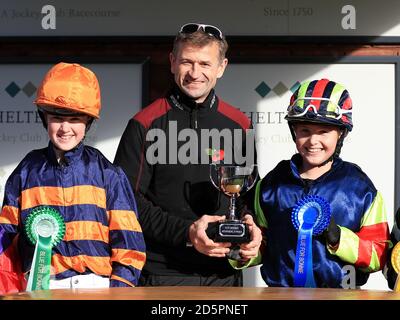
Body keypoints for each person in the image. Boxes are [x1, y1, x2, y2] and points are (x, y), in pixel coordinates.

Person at [114, 23, 261, 286]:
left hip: (224, 273)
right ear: (172, 62)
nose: (195, 73)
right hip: (163, 274)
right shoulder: (144, 123)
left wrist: (251, 226)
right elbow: (126, 202)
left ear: (221, 67)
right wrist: (186, 233)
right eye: (186, 62)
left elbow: (247, 194)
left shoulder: (240, 124)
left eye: (205, 64)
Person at [0, 62, 146, 293]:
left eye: (75, 119)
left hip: (97, 288)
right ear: (44, 118)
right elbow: (6, 240)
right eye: (57, 117)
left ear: (88, 121)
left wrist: (119, 292)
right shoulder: (26, 171)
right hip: (41, 288)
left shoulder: (108, 174)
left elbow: (128, 244)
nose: (65, 128)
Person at [245, 78, 390, 288]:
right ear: (293, 130)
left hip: (341, 295)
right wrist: (241, 251)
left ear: (341, 133)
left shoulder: (361, 188)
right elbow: (260, 247)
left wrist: (339, 238)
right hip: (279, 296)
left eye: (324, 132)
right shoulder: (270, 185)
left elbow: (378, 254)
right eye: (304, 130)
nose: (313, 141)